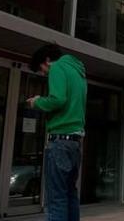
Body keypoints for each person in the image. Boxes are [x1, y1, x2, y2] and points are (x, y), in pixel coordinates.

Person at [28, 44, 87, 221]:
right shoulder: (78, 72)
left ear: (47, 60)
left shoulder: (57, 68)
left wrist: (37, 102)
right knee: (70, 194)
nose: (44, 73)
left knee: (56, 199)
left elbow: (58, 99)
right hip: (75, 142)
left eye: (42, 69)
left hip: (60, 139)